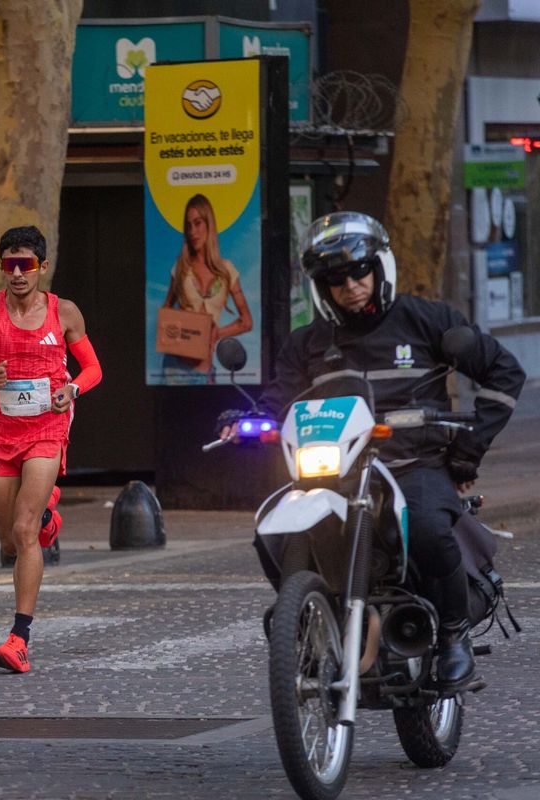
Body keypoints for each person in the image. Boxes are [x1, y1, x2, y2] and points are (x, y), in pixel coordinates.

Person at [219, 211, 525, 692]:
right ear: (321, 286)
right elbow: (279, 400)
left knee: (425, 526)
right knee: (270, 530)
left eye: (359, 271)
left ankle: (452, 638)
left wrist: (467, 451)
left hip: (412, 465)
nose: (350, 285)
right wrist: (243, 419)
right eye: (335, 279)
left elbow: (504, 373)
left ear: (380, 268)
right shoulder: (308, 344)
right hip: (330, 473)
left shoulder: (428, 321)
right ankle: (305, 616)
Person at [0, 225, 103, 674]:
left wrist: (71, 389)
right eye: (10, 265)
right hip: (1, 435)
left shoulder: (65, 313)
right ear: (1, 267)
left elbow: (93, 369)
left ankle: (19, 638)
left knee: (24, 528)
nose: (18, 273)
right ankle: (51, 518)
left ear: (42, 268)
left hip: (47, 430)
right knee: (8, 540)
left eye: (26, 265)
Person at [161, 193, 253, 380]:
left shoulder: (226, 270)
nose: (193, 231)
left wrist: (215, 333)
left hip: (206, 369)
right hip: (176, 368)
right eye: (188, 225)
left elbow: (246, 321)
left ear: (209, 224)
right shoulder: (181, 268)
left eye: (198, 223)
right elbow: (166, 310)